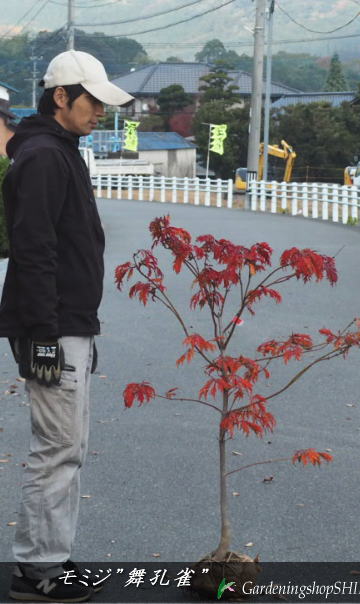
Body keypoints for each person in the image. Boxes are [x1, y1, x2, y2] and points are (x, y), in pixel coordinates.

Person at [0, 50, 133, 603]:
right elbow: (33, 252)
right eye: (94, 100)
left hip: (67, 323)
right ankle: (38, 571)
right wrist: (46, 338)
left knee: (66, 447)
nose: (101, 110)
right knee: (58, 448)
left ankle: (49, 557)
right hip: (50, 327)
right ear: (62, 96)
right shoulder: (43, 157)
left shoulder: (60, 151)